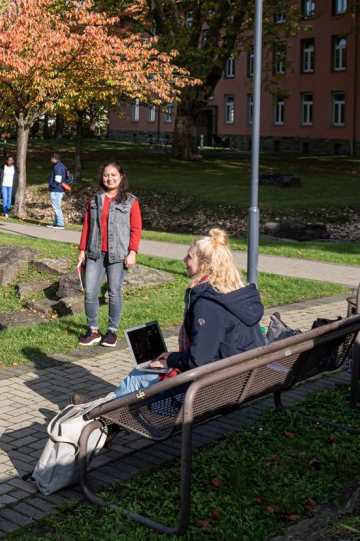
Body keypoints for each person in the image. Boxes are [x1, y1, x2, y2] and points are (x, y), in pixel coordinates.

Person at [109, 228, 265, 399]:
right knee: (150, 372)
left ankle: (98, 419)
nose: (184, 260)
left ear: (205, 265)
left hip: (218, 388)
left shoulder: (208, 304)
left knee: (139, 376)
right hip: (246, 378)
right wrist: (173, 358)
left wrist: (171, 360)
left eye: (190, 256)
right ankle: (98, 408)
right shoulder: (234, 294)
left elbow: (199, 361)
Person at [77, 161, 141, 348]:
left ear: (121, 177)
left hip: (118, 254)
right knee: (90, 292)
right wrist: (82, 250)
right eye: (106, 175)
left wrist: (132, 253)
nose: (109, 178)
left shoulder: (131, 201)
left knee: (114, 293)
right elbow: (87, 226)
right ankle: (93, 330)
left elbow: (136, 229)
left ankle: (111, 331)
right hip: (95, 253)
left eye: (113, 175)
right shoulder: (95, 199)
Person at [47, 152, 69, 229]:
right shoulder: (61, 166)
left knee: (56, 207)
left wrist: (52, 186)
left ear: (54, 158)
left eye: (51, 158)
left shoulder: (58, 167)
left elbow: (58, 180)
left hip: (56, 190)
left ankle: (60, 224)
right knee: (56, 206)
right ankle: (56, 223)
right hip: (59, 189)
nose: (50, 159)